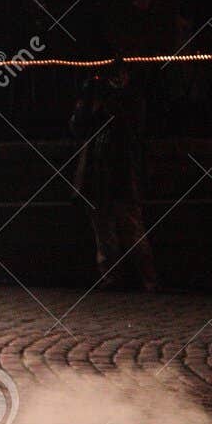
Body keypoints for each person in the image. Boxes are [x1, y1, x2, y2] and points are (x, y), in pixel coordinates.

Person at [69, 60, 158, 291]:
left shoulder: (132, 96)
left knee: (130, 224)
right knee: (103, 228)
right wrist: (92, 99)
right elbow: (78, 125)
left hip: (121, 168)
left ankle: (146, 278)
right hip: (97, 168)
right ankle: (111, 277)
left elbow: (135, 126)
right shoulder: (93, 93)